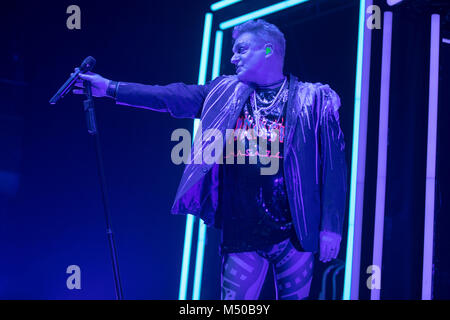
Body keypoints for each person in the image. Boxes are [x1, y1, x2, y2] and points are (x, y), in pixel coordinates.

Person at [73, 19, 347, 300]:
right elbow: (170, 96)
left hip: (295, 233)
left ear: (267, 50)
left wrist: (332, 228)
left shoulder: (312, 99)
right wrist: (110, 87)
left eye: (241, 49)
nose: (233, 57)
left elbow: (334, 168)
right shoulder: (223, 92)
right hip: (242, 231)